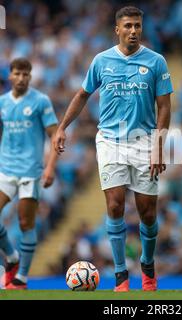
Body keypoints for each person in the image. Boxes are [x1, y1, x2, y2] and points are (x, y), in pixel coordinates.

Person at [53, 6, 173, 292]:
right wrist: (61, 127)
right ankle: (121, 274)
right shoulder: (102, 60)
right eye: (128, 26)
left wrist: (158, 146)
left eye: (138, 26)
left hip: (144, 142)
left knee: (147, 213)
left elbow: (165, 106)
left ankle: (147, 263)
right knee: (115, 204)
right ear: (117, 30)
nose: (133, 31)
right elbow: (82, 94)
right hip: (110, 141)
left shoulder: (156, 62)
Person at [0, 58, 58, 289]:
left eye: (26, 74)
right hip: (5, 169)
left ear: (30, 76)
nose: (22, 78)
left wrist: (50, 167)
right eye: (17, 74)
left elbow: (55, 136)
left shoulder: (40, 101)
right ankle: (11, 256)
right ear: (10, 75)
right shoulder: (2, 102)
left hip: (30, 172)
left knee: (26, 223)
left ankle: (21, 277)